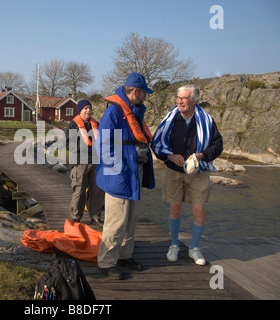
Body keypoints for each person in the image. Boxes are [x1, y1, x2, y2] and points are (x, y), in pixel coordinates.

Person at [152, 84, 223, 265]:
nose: (180, 101)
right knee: (174, 208)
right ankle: (174, 245)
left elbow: (218, 145)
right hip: (174, 171)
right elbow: (157, 142)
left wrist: (202, 155)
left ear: (194, 101)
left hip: (198, 171)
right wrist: (170, 155)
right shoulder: (169, 119)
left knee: (198, 208)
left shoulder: (206, 120)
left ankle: (195, 248)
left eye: (184, 98)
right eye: (178, 98)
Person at [95, 73, 155, 280]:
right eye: (145, 93)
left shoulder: (135, 111)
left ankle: (124, 256)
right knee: (116, 220)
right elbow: (104, 145)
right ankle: (106, 261)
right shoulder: (113, 111)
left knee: (131, 218)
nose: (146, 97)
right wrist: (129, 157)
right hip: (119, 173)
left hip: (133, 171)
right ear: (136, 91)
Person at [64, 100, 104, 225]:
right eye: (85, 108)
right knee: (79, 191)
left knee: (97, 190)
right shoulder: (72, 125)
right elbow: (67, 144)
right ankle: (76, 217)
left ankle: (96, 216)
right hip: (80, 162)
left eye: (89, 108)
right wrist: (84, 146)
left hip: (96, 162)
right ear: (80, 110)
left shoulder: (96, 124)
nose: (88, 110)